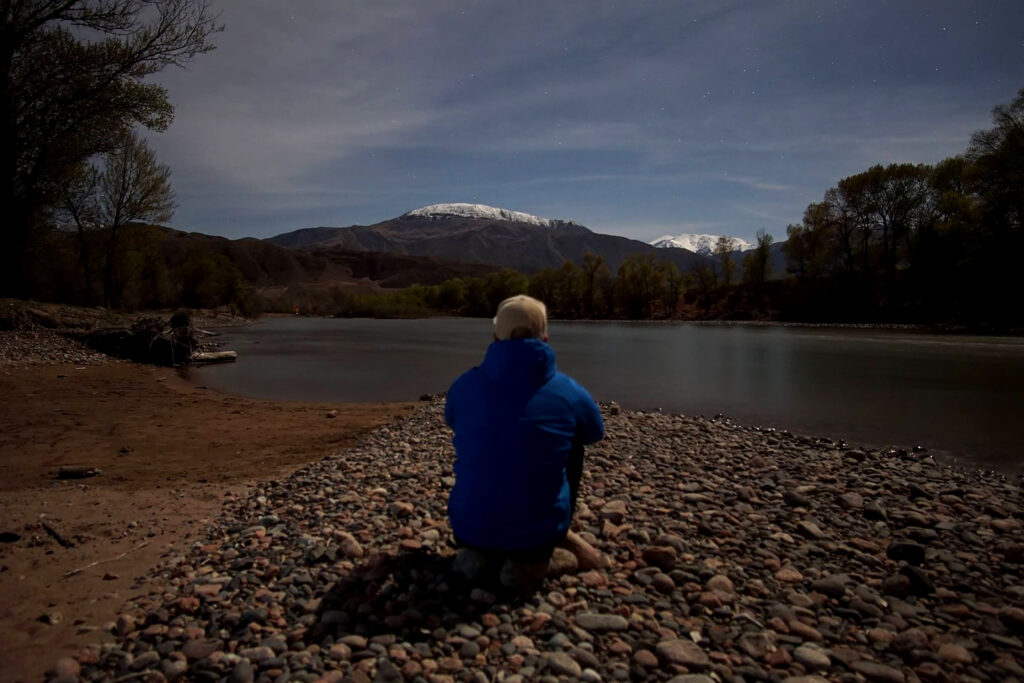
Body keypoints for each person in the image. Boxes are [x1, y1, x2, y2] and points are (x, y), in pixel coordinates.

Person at [444, 295, 604, 588]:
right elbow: (594, 432)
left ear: (495, 337)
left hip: (468, 530)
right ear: (545, 337)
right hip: (538, 538)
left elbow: (452, 420)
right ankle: (538, 544)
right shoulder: (567, 391)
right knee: (574, 442)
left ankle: (478, 554)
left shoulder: (464, 385)